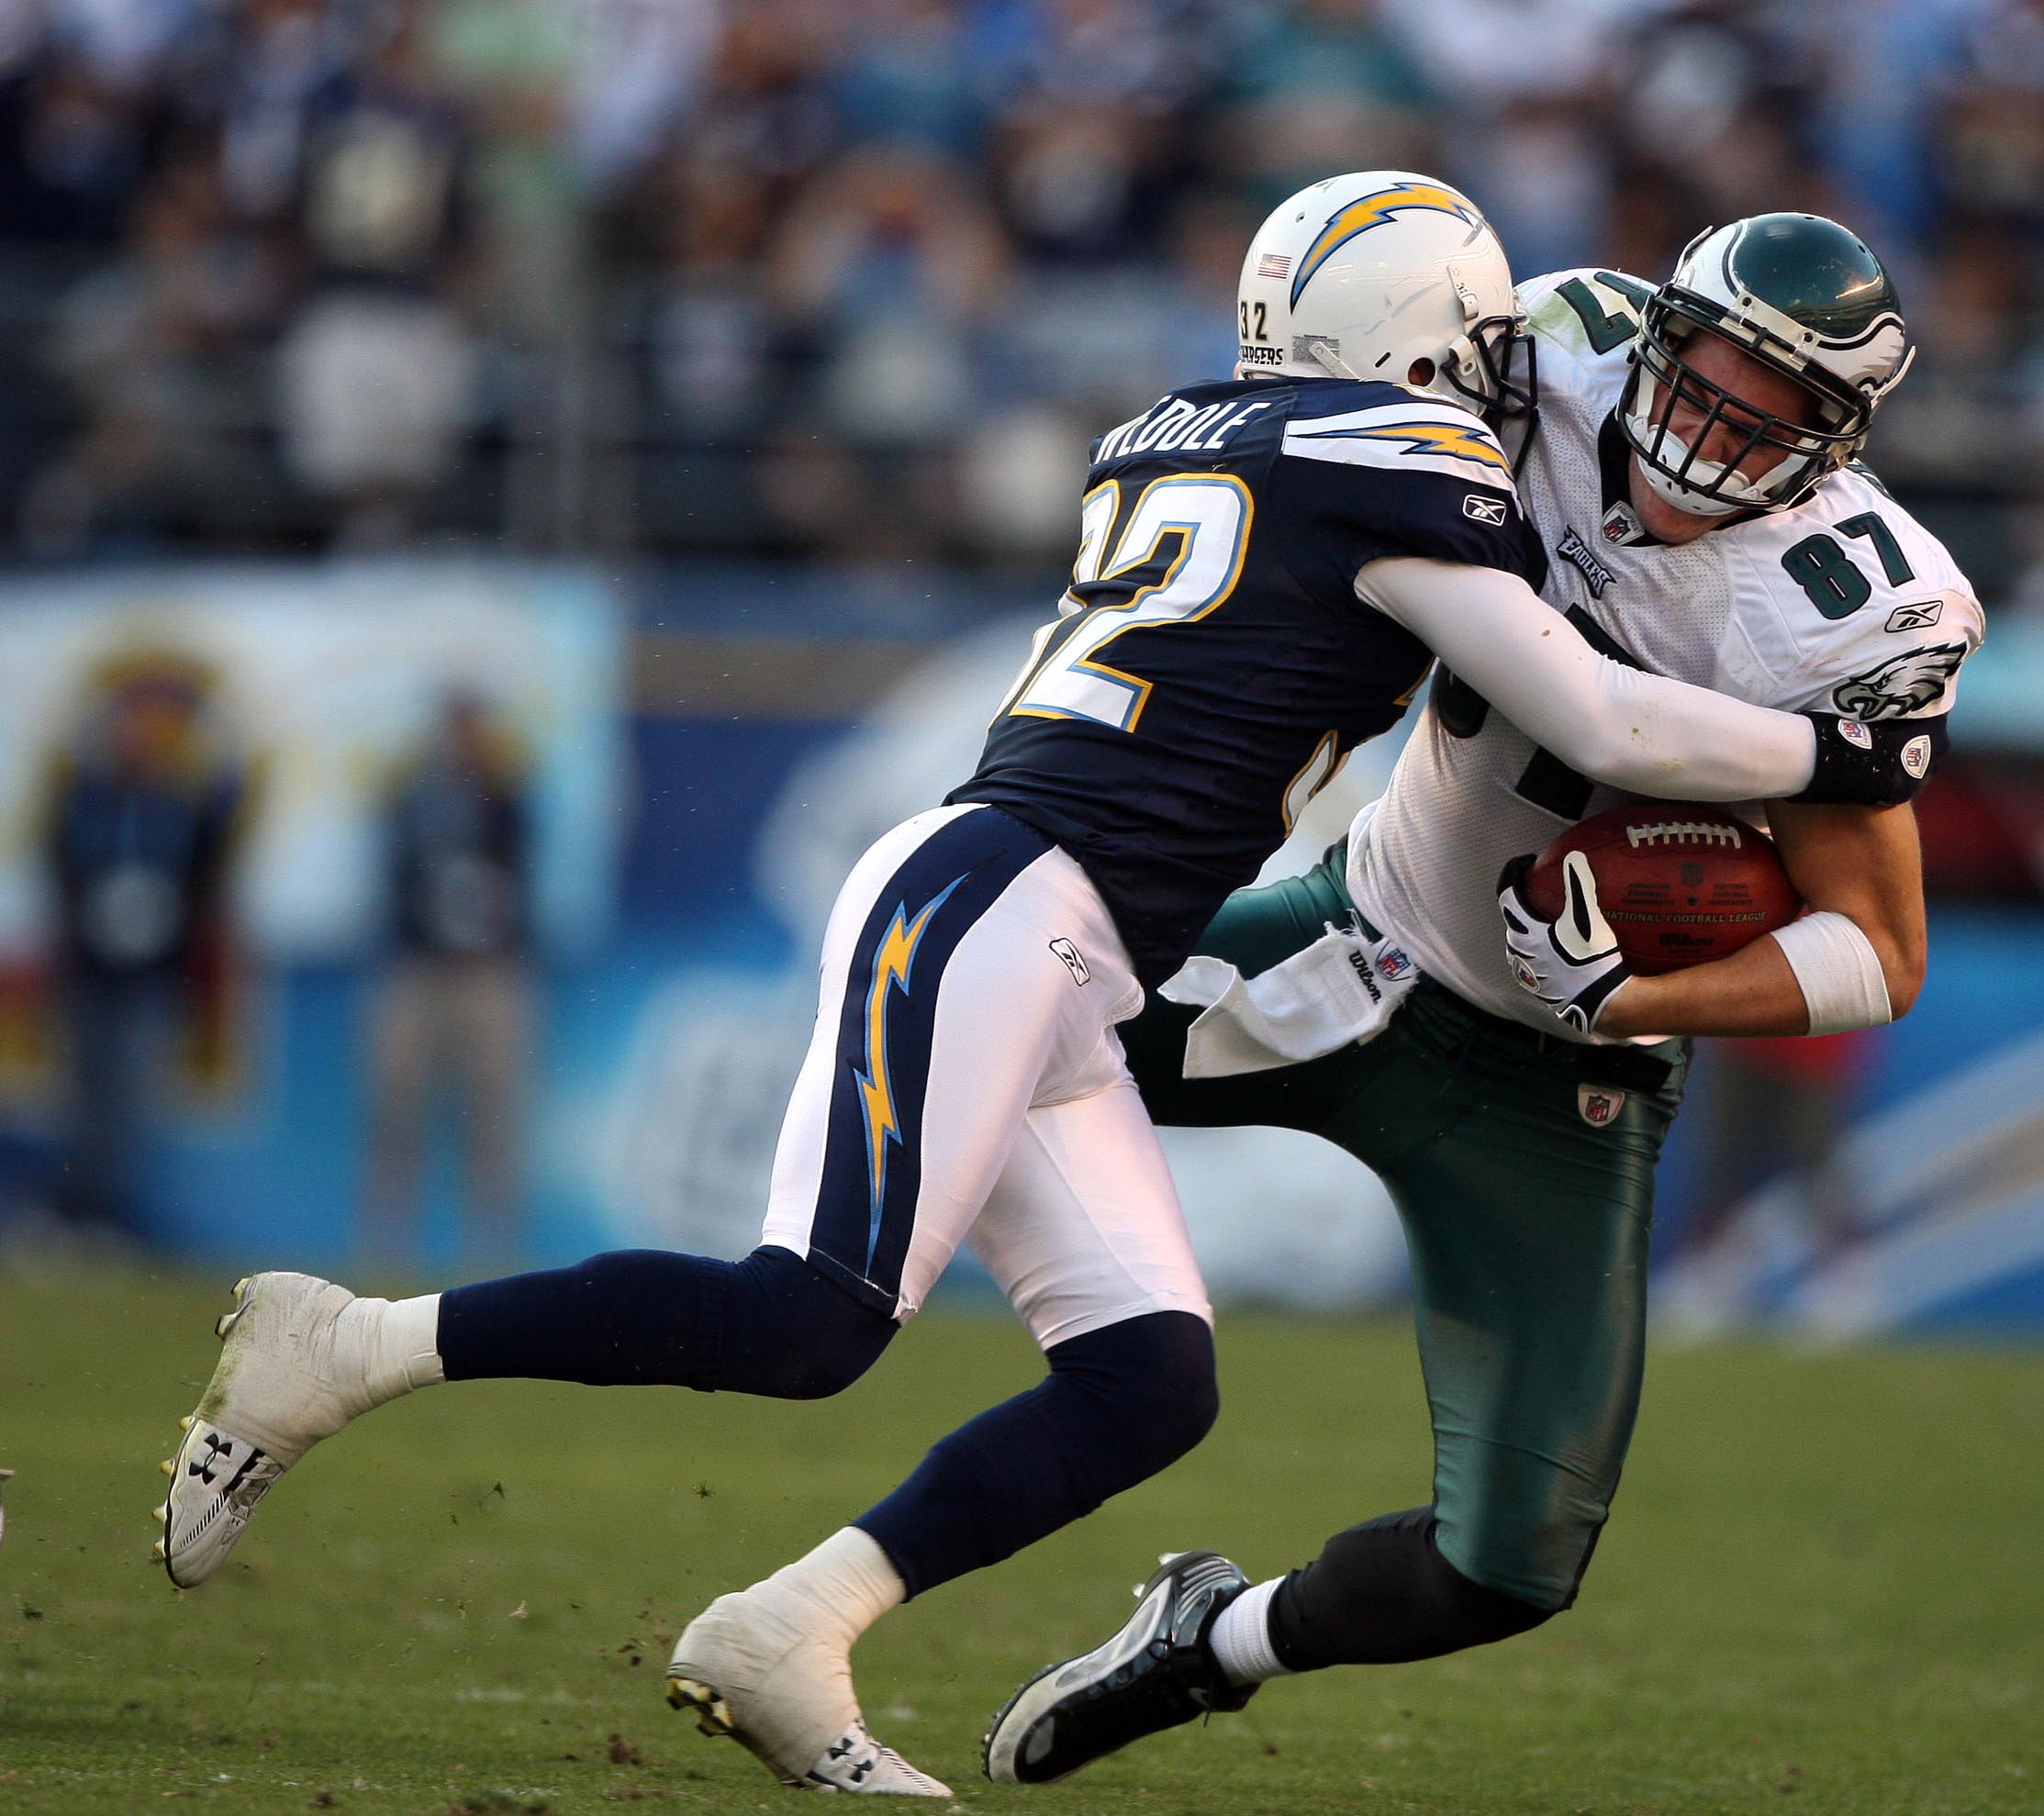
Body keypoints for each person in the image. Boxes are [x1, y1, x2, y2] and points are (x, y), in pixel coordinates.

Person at [155, 177, 1928, 1799]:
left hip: (1094, 942)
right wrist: (1850, 751)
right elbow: (1605, 718)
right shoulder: (1405, 455)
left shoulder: (1187, 426)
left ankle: (791, 1626)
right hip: (1026, 902)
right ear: (1426, 349)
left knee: (1151, 1380)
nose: (1505, 389)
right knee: (807, 1321)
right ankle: (353, 1342)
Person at [983, 214, 1982, 1785]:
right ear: (1650, 338)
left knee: (1506, 1563)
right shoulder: (1545, 356)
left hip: (1564, 1082)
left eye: (1770, 420)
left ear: (1836, 439)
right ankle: (815, 1445)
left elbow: (1882, 952)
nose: (1713, 438)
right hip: (1359, 939)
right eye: (1705, 386)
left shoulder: (1846, 603)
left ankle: (1211, 1639)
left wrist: (1647, 984)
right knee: (969, 1039)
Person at [44, 656, 248, 1242]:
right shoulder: (85, 797)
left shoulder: (181, 804)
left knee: (130, 1104)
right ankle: (72, 1215)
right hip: (91, 970)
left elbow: (219, 838)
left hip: (149, 974)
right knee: (85, 1101)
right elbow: (61, 869)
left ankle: (105, 1216)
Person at [363, 690, 537, 1269]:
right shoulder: (413, 799)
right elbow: (392, 872)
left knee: (492, 1114)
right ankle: (385, 1245)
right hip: (421, 967)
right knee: (397, 1109)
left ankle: (490, 1247)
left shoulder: (506, 799)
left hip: (487, 970)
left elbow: (523, 874)